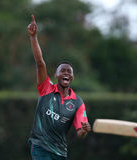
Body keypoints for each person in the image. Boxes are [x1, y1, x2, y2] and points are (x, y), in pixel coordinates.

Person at [27, 15, 91, 160]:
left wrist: (85, 130)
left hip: (60, 152)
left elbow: (80, 131)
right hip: (40, 146)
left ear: (72, 78)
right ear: (56, 75)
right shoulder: (46, 88)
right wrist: (33, 37)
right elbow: (40, 63)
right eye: (63, 70)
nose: (66, 73)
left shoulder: (77, 103)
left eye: (69, 72)